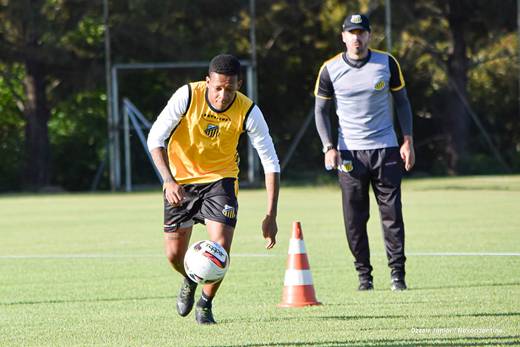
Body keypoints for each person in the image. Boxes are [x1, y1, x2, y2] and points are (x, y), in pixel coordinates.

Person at [147, 54, 280, 324]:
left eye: (229, 89)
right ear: (207, 81)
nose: (222, 95)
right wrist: (169, 180)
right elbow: (155, 138)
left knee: (220, 247)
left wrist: (271, 214)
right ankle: (189, 278)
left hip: (221, 180)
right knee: (174, 254)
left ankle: (206, 303)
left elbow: (271, 162)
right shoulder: (187, 95)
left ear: (239, 85)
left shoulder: (248, 111)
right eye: (217, 88)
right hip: (181, 181)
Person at [314, 14, 415, 291]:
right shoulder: (330, 69)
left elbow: (403, 102)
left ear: (369, 35)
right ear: (343, 36)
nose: (356, 38)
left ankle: (397, 275)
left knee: (392, 214)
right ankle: (364, 276)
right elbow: (320, 110)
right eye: (351, 33)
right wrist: (328, 147)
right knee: (354, 219)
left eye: (361, 32)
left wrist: (407, 141)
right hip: (349, 154)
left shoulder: (387, 63)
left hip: (386, 149)